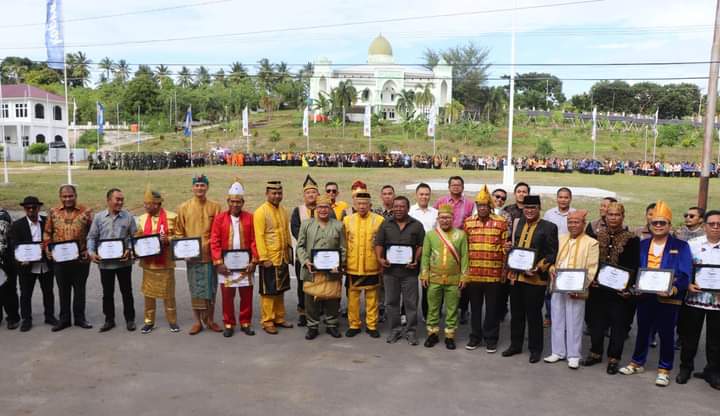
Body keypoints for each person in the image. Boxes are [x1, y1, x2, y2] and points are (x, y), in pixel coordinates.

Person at [620, 200, 692, 387]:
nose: (658, 226)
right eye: (655, 223)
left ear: (669, 224)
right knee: (642, 331)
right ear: (650, 224)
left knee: (666, 334)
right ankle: (637, 362)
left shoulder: (681, 246)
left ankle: (664, 369)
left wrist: (673, 289)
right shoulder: (643, 245)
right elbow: (635, 270)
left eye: (662, 223)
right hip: (645, 296)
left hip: (668, 298)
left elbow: (685, 274)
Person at [581, 202, 640, 374]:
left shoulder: (631, 239)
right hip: (598, 289)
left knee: (618, 325)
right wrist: (591, 279)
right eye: (610, 215)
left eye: (617, 215)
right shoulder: (595, 235)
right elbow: (589, 261)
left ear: (623, 216)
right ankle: (595, 352)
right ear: (605, 216)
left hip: (619, 292)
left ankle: (614, 357)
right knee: (596, 323)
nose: (613, 218)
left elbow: (634, 265)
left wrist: (627, 287)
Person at [502, 195, 558, 363]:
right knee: (516, 313)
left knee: (534, 315)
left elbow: (552, 253)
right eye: (527, 208)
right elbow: (513, 244)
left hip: (535, 279)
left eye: (533, 207)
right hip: (517, 276)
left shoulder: (549, 227)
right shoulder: (518, 222)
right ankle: (515, 345)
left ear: (539, 208)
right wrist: (507, 247)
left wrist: (539, 267)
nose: (529, 211)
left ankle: (535, 349)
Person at [544, 210, 599, 369]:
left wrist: (581, 286)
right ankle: (557, 351)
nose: (573, 225)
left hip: (577, 289)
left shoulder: (591, 242)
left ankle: (574, 354)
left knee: (575, 320)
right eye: (570, 222)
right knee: (557, 316)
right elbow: (553, 259)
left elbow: (592, 268)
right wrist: (552, 268)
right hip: (558, 284)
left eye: (576, 222)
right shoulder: (560, 239)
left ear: (583, 223)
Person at [676, 210, 720, 389]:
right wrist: (687, 284)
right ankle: (685, 368)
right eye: (712, 224)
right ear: (705, 226)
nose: (716, 228)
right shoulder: (692, 245)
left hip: (718, 302)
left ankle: (713, 371)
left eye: (719, 224)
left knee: (716, 341)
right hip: (694, 298)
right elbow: (681, 269)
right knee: (689, 337)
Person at [175, 174, 223, 335]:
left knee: (211, 290)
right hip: (193, 257)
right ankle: (197, 321)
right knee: (195, 290)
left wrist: (216, 252)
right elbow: (179, 232)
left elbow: (219, 232)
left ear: (207, 187)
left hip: (210, 256)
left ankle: (210, 319)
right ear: (192, 187)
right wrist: (183, 251)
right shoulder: (184, 208)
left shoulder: (215, 207)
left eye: (202, 185)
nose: (199, 188)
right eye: (197, 185)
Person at [462, 185, 508, 353]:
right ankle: (475, 337)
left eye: (485, 205)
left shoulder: (501, 222)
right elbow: (464, 249)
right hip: (474, 273)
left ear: (490, 206)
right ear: (477, 206)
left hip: (493, 274)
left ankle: (491, 338)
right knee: (474, 308)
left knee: (492, 309)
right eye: (479, 205)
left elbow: (505, 248)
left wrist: (504, 271)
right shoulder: (468, 222)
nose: (482, 208)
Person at [210, 180, 258, 338]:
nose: (235, 205)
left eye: (238, 202)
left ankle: (245, 322)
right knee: (227, 297)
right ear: (228, 202)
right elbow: (215, 241)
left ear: (243, 202)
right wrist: (218, 262)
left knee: (246, 296)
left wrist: (254, 261)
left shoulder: (250, 218)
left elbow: (254, 241)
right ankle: (229, 323)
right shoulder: (219, 219)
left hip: (245, 266)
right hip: (227, 267)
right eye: (232, 201)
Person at [375, 196, 425, 345]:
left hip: (409, 273)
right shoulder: (385, 224)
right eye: (396, 206)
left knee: (411, 303)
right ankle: (395, 330)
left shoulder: (417, 225)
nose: (398, 209)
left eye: (402, 206)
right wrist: (380, 259)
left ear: (408, 208)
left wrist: (416, 260)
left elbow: (421, 245)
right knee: (391, 302)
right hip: (390, 272)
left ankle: (411, 332)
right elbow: (379, 243)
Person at [43, 184, 93, 332]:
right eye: (64, 196)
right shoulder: (53, 212)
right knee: (63, 290)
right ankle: (64, 319)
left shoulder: (86, 212)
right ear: (60, 197)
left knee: (79, 290)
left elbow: (93, 234)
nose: (68, 199)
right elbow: (47, 232)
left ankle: (79, 318)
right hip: (60, 260)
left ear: (75, 196)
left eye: (70, 196)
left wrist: (89, 251)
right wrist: (47, 248)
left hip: (80, 259)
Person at [296, 194, 346, 340]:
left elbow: (343, 248)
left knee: (332, 297)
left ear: (330, 208)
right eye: (320, 207)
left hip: (332, 270)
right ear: (315, 208)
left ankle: (332, 324)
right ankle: (312, 326)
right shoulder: (307, 224)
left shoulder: (338, 225)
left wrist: (339, 263)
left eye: (325, 207)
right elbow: (300, 246)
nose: (323, 210)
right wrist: (305, 261)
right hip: (312, 269)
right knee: (311, 299)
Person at [88, 188, 137, 332]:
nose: (120, 202)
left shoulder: (128, 217)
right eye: (117, 199)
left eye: (122, 199)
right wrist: (91, 252)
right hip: (105, 264)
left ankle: (130, 320)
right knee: (107, 293)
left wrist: (129, 249)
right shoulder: (99, 218)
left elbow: (134, 237)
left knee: (127, 292)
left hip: (124, 262)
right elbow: (92, 237)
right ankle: (109, 320)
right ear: (109, 200)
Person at [420, 203, 469, 350]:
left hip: (454, 279)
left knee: (452, 308)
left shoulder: (460, 235)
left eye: (448, 218)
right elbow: (425, 256)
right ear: (438, 218)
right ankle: (432, 334)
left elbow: (465, 256)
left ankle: (449, 335)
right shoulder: (430, 235)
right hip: (434, 278)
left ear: (453, 218)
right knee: (433, 307)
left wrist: (464, 277)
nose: (445, 220)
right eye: (442, 218)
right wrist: (424, 274)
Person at [291, 175, 335, 327]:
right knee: (303, 285)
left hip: (324, 257)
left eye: (314, 192)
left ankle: (321, 311)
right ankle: (303, 312)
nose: (311, 195)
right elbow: (295, 230)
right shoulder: (298, 210)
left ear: (318, 194)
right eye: (308, 193)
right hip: (305, 256)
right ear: (304, 195)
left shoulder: (326, 209)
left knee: (324, 283)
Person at [135, 186, 180, 334]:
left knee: (169, 295)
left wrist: (168, 239)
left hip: (165, 263)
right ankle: (149, 321)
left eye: (148, 204)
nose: (145, 206)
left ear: (157, 204)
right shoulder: (141, 219)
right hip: (149, 265)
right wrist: (138, 241)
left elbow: (179, 237)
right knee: (149, 295)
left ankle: (172, 320)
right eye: (145, 203)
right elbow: (136, 238)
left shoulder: (172, 217)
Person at [9, 197, 56, 332]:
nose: (31, 210)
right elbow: (14, 245)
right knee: (26, 293)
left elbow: (54, 238)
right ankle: (26, 319)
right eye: (28, 207)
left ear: (38, 208)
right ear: (24, 209)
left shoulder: (47, 221)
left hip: (45, 263)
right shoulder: (17, 225)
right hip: (26, 265)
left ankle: (49, 316)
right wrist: (20, 257)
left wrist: (47, 245)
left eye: (34, 207)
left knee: (48, 292)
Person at [433, 176, 475, 324]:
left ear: (463, 187)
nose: (456, 187)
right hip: (442, 244)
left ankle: (463, 310)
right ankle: (438, 310)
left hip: (461, 244)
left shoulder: (470, 204)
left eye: (459, 185)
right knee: (441, 278)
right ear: (449, 186)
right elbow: (435, 222)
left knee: (462, 281)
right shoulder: (440, 202)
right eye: (453, 184)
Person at [254, 180, 293, 334]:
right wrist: (264, 258)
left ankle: (279, 317)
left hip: (282, 257)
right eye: (274, 193)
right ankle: (267, 320)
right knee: (268, 291)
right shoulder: (260, 212)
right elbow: (259, 236)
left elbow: (286, 233)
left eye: (279, 193)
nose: (277, 196)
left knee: (280, 290)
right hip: (269, 259)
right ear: (267, 194)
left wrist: (289, 254)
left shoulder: (283, 210)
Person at [344, 191, 384, 338]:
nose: (362, 206)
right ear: (354, 205)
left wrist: (381, 262)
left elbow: (382, 243)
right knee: (353, 297)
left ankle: (372, 325)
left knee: (372, 297)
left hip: (372, 265)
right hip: (353, 265)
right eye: (359, 204)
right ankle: (354, 324)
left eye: (365, 204)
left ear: (370, 205)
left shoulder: (379, 220)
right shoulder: (347, 220)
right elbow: (344, 243)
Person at [409, 182, 438, 319]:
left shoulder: (435, 213)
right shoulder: (410, 212)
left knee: (428, 286)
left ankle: (427, 314)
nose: (424, 197)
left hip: (431, 254)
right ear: (416, 195)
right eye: (421, 194)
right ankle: (406, 313)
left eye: (427, 194)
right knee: (409, 285)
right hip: (413, 253)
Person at [0, 204, 19, 330]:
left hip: (6, 260)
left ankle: (12, 318)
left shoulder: (3, 216)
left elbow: (4, 241)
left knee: (8, 291)